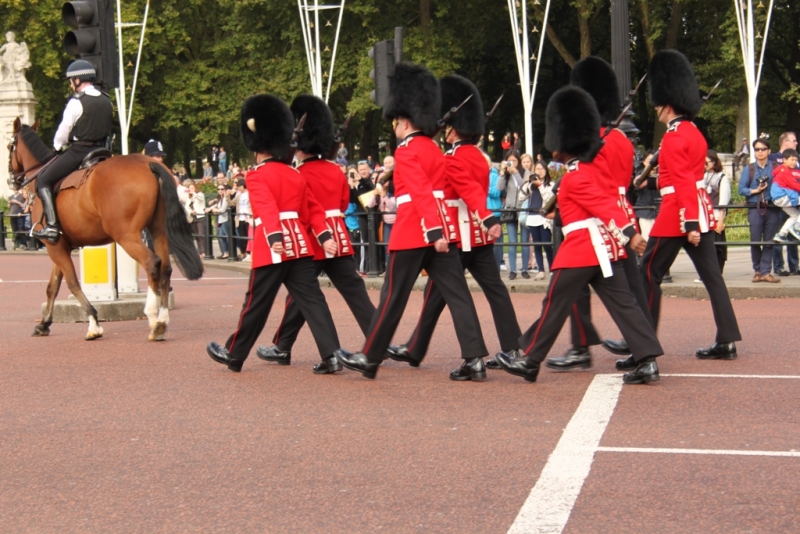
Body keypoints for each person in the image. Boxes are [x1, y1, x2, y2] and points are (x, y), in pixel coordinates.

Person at [495, 86, 663, 384]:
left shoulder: (575, 177)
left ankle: (531, 359)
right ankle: (647, 360)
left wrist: (629, 234)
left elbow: (602, 206)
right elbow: (602, 202)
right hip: (603, 251)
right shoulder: (587, 172)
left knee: (555, 302)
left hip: (582, 249)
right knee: (624, 304)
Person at [335, 62, 489, 381]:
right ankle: (475, 359)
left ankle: (370, 356)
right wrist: (478, 218)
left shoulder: (406, 151)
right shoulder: (436, 150)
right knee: (458, 294)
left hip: (414, 230)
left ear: (403, 121)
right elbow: (454, 189)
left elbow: (419, 192)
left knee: (392, 296)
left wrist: (431, 230)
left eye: (395, 122)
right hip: (443, 228)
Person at [385, 73, 519, 373]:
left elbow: (457, 191)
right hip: (479, 235)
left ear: (454, 131)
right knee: (469, 291)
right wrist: (487, 218)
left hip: (458, 232)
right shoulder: (478, 156)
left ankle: (426, 349)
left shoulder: (452, 157)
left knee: (444, 291)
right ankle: (510, 347)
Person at [206, 94, 349, 373]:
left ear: (258, 146)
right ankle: (331, 356)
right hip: (301, 248)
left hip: (274, 249)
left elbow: (266, 207)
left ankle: (235, 355)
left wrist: (273, 237)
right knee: (313, 302)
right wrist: (324, 236)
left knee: (256, 304)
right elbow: (313, 211)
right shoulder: (296, 174)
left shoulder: (257, 174)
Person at [635, 50, 741, 364]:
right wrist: (647, 182)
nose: (655, 109)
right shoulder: (694, 134)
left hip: (677, 213)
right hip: (697, 207)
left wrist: (689, 225)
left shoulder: (672, 138)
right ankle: (727, 340)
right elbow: (680, 179)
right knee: (713, 278)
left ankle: (643, 338)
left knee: (648, 271)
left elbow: (680, 183)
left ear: (667, 104)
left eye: (657, 105)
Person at [256, 94, 376, 367]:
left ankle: (283, 347)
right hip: (338, 235)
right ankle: (378, 339)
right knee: (355, 292)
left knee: (302, 295)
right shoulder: (336, 170)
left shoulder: (299, 174)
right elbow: (345, 202)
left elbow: (303, 209)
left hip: (313, 238)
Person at [554, 56, 653, 367]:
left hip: (591, 217)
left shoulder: (591, 143)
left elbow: (587, 185)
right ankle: (643, 343)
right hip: (622, 214)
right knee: (630, 285)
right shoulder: (622, 141)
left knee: (572, 283)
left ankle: (581, 346)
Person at [33, 60, 113, 244]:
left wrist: (57, 146)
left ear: (78, 80)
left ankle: (52, 226)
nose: (70, 84)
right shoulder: (106, 99)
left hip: (81, 150)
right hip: (103, 150)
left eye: (71, 80)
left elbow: (64, 129)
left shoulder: (77, 102)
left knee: (43, 179)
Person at [770, 132, 800, 274]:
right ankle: (779, 266)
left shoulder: (796, 161)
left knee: (792, 234)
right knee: (780, 233)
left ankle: (794, 265)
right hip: (783, 200)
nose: (796, 143)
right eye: (794, 141)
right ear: (785, 142)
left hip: (792, 199)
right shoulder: (773, 159)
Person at [498, 152, 528, 279]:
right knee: (512, 242)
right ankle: (513, 270)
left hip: (524, 210)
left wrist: (515, 171)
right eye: (509, 161)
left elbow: (524, 186)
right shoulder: (506, 174)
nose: (512, 163)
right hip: (510, 210)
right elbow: (499, 187)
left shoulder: (525, 172)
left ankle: (525, 269)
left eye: (514, 161)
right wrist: (502, 172)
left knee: (525, 242)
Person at [524, 160, 554, 280]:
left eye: (542, 169)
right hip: (532, 217)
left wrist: (540, 185)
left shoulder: (550, 184)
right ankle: (541, 270)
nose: (539, 171)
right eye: (537, 169)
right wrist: (527, 183)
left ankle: (552, 269)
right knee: (537, 245)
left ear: (546, 170)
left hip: (544, 218)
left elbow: (548, 198)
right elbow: (521, 196)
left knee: (547, 244)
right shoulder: (531, 185)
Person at [703, 149, 731, 273]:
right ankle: (707, 272)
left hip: (715, 216)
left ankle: (717, 271)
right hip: (704, 216)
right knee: (705, 247)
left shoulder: (722, 178)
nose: (705, 166)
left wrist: (720, 220)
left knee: (717, 246)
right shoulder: (703, 176)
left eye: (707, 163)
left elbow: (723, 201)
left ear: (714, 162)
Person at [770, 148, 800, 243]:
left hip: (779, 199)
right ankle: (797, 227)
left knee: (795, 215)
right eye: (792, 160)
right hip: (783, 197)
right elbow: (793, 184)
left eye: (796, 160)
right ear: (784, 160)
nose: (794, 162)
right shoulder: (784, 170)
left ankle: (782, 234)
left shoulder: (781, 170)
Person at [485, 154, 504, 268]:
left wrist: (482, 187)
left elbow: (497, 192)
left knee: (496, 242)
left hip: (494, 212)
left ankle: (496, 266)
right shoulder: (479, 175)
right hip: (483, 213)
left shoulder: (494, 175)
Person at [183, 182, 207, 258]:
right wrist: (191, 211)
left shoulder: (200, 194)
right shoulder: (189, 198)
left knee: (201, 235)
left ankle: (204, 251)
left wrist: (194, 194)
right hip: (193, 217)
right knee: (196, 236)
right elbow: (187, 207)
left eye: (192, 188)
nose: (191, 190)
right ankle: (199, 251)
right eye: (189, 188)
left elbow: (200, 199)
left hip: (200, 216)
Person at [210, 184, 232, 259]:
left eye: (222, 189)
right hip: (221, 220)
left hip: (225, 219)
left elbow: (223, 210)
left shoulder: (225, 198)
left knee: (228, 237)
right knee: (221, 237)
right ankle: (226, 253)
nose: (220, 191)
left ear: (225, 190)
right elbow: (218, 206)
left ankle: (231, 253)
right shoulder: (220, 198)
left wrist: (216, 210)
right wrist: (213, 209)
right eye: (218, 189)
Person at [234, 178, 251, 260]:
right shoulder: (239, 195)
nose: (238, 188)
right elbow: (232, 202)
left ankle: (248, 253)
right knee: (241, 237)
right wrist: (227, 195)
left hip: (247, 218)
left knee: (248, 236)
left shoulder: (249, 194)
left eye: (239, 186)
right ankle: (242, 253)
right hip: (240, 218)